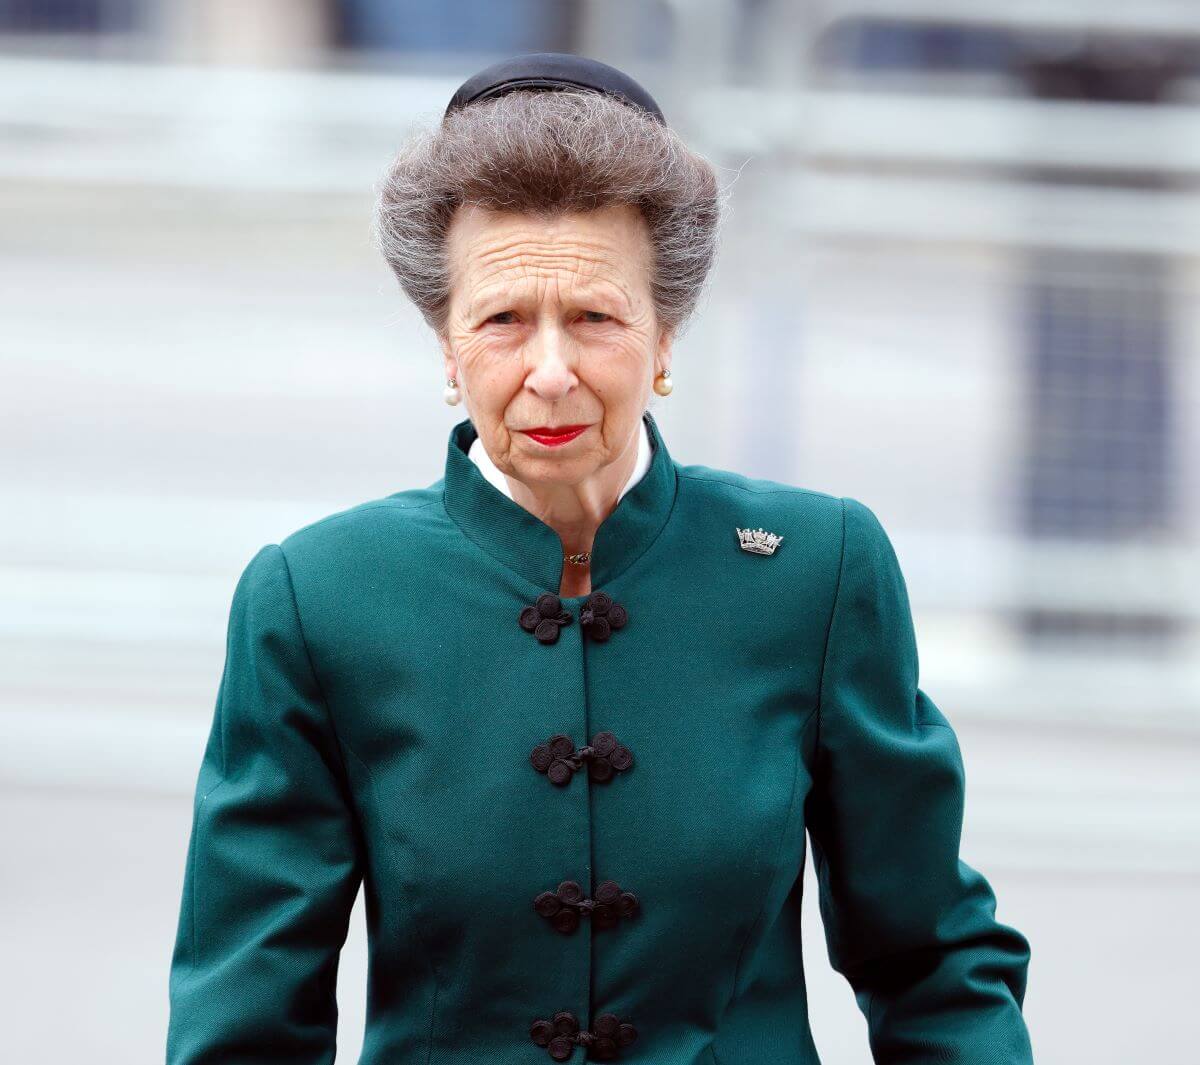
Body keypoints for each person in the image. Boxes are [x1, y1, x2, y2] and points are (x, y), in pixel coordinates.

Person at [165, 52, 1034, 1064]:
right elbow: (245, 1017)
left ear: (666, 337)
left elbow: (932, 959)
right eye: (501, 321)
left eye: (594, 318)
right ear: (446, 348)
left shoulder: (816, 570)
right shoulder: (319, 597)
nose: (550, 372)